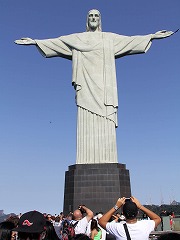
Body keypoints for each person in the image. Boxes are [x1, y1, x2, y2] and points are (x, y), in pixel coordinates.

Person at [15, 9, 175, 165]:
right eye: (90, 15)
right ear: (87, 19)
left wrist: (152, 36)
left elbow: (130, 40)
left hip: (105, 89)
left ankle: (107, 158)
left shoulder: (109, 38)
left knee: (106, 120)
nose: (93, 18)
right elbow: (58, 42)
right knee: (85, 118)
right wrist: (35, 42)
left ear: (100, 20)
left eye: (96, 16)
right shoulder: (77, 39)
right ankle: (86, 159)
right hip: (85, 86)